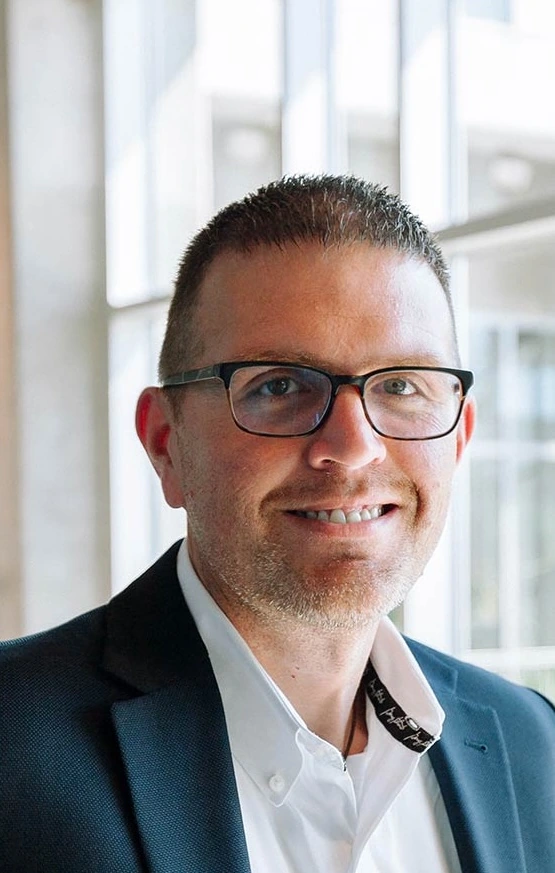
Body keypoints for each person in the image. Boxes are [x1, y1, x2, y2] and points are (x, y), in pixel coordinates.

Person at [1, 175, 553, 873]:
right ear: (166, 443)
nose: (352, 446)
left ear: (459, 437)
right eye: (279, 386)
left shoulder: (530, 742)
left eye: (401, 385)